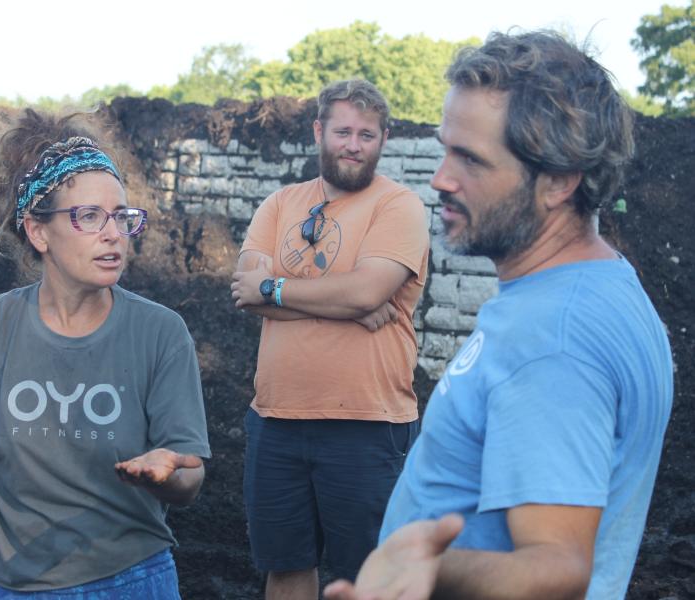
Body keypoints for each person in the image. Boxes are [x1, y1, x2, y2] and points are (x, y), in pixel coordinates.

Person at [324, 30, 674, 600]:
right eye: (445, 149)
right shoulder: (601, 285)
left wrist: (427, 571)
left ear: (559, 181)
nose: (440, 178)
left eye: (470, 159)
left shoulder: (551, 339)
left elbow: (558, 567)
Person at [0, 109, 211, 599]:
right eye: (90, 217)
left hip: (134, 578)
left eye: (121, 216)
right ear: (37, 231)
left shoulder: (160, 331)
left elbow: (191, 480)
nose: (113, 233)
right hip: (16, 585)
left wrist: (168, 474)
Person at [230, 79, 430, 599]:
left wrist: (280, 290)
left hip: (366, 424)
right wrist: (343, 305)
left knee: (364, 579)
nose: (353, 144)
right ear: (320, 131)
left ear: (383, 139)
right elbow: (246, 294)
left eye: (367, 134)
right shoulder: (280, 204)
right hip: (277, 420)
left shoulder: (399, 207)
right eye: (343, 131)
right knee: (287, 567)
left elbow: (364, 292)